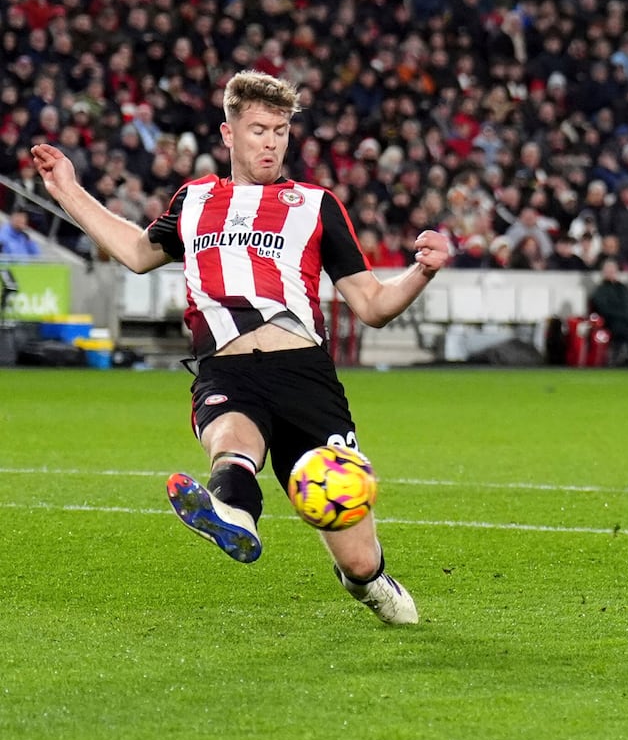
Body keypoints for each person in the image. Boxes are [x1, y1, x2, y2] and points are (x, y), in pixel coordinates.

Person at [28, 71, 451, 623]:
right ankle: (233, 516)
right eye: (258, 129)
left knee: (356, 554)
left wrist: (421, 273)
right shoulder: (195, 199)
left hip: (303, 375)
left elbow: (370, 305)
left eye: (281, 130)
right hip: (225, 371)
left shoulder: (316, 205)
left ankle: (369, 581)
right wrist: (66, 187)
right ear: (227, 134)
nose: (272, 141)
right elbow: (135, 251)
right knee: (232, 447)